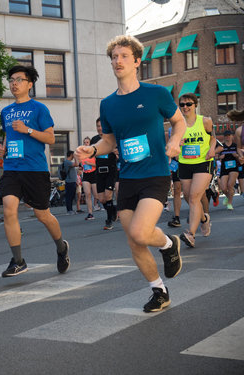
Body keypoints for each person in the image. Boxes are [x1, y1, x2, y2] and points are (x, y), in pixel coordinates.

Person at [76, 35, 186, 313]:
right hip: (128, 177)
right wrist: (92, 151)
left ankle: (167, 243)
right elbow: (110, 141)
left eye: (124, 56)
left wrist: (175, 141)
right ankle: (159, 290)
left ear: (137, 61)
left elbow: (179, 121)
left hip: (155, 174)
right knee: (134, 241)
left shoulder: (156, 94)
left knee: (140, 232)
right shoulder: (108, 104)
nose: (118, 61)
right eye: (114, 57)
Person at [0, 65, 70, 277]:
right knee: (9, 209)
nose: (14, 83)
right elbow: (8, 135)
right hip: (11, 167)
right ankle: (18, 260)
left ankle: (61, 247)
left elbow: (50, 138)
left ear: (30, 84)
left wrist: (27, 130)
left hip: (35, 169)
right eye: (11, 79)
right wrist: (4, 148)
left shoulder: (39, 109)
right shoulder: (6, 111)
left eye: (19, 79)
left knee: (43, 215)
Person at [176, 93, 215, 247]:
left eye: (188, 104)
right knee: (188, 196)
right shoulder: (177, 125)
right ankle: (204, 219)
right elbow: (173, 144)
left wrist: (212, 149)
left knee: (194, 197)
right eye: (182, 104)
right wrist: (177, 143)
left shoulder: (205, 121)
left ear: (195, 105)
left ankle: (190, 234)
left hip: (203, 162)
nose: (185, 107)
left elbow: (213, 137)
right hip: (185, 163)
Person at [91, 118, 118, 230]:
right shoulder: (95, 139)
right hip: (99, 171)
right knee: (101, 199)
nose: (99, 128)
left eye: (101, 126)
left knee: (108, 196)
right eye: (98, 126)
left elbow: (117, 152)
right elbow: (91, 154)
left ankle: (109, 220)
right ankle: (113, 209)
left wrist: (112, 150)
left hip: (111, 170)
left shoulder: (112, 138)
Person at [216, 130, 239, 210]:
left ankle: (229, 203)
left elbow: (240, 156)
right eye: (226, 136)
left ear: (232, 136)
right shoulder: (221, 146)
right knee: (223, 187)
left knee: (230, 185)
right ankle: (227, 196)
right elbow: (216, 156)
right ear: (224, 137)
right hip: (224, 168)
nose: (227, 137)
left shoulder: (235, 145)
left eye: (229, 135)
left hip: (234, 167)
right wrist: (219, 157)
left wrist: (236, 155)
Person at [80, 137, 97, 220]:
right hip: (86, 175)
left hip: (94, 174)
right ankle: (90, 213)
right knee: (87, 194)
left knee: (97, 195)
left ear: (90, 143)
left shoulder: (94, 153)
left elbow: (98, 165)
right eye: (84, 142)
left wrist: (89, 163)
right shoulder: (82, 155)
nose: (86, 143)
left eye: (87, 142)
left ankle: (109, 208)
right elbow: (80, 165)